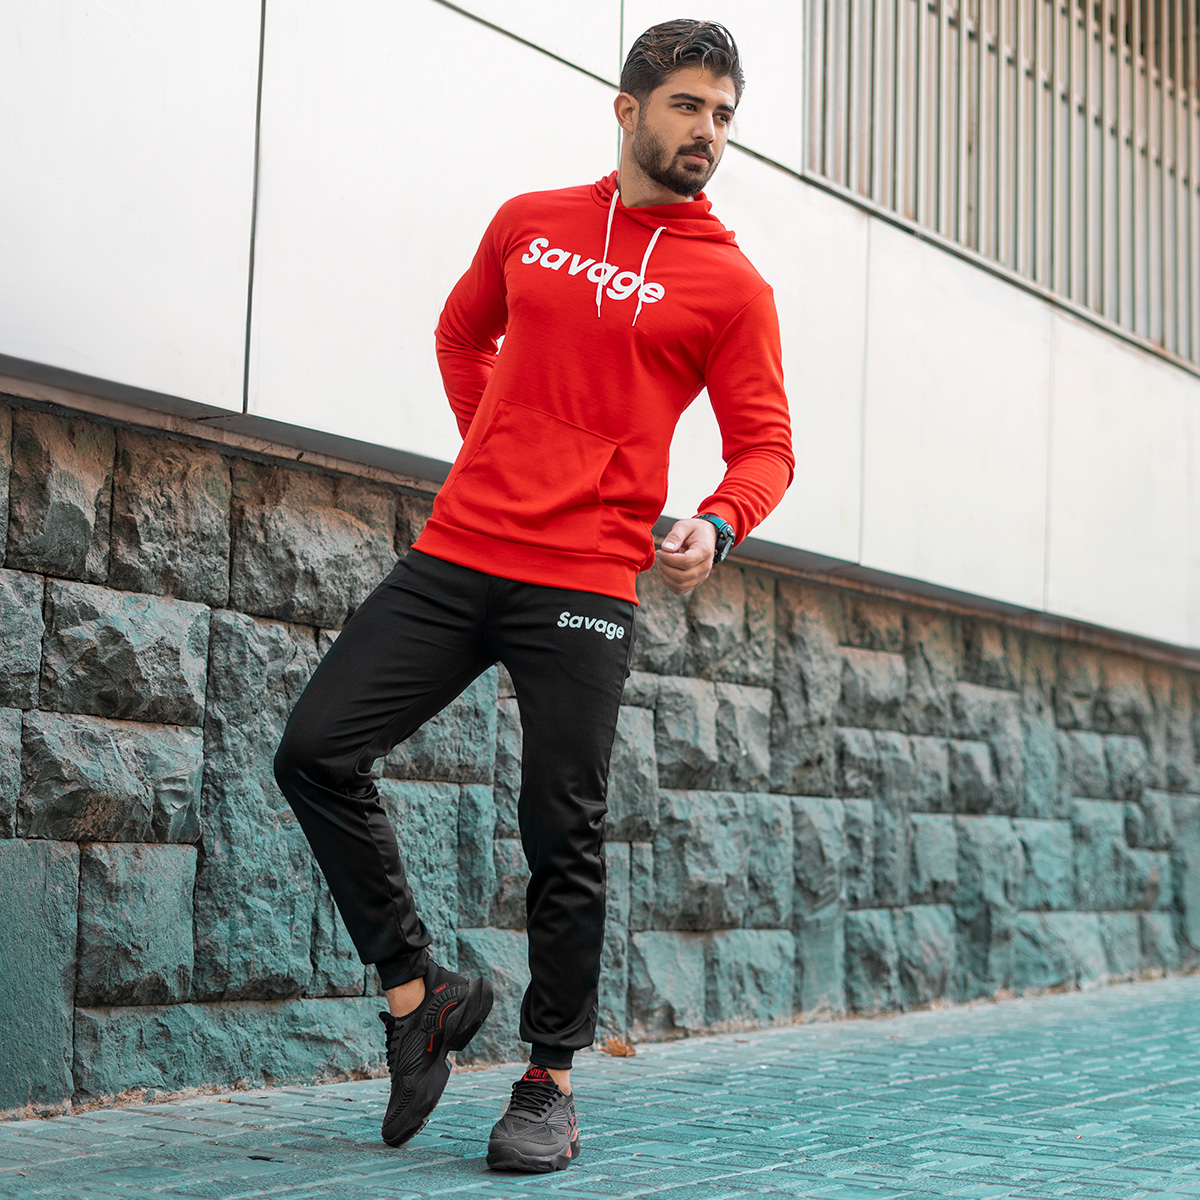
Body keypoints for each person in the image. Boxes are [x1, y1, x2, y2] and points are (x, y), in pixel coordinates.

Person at [273, 18, 793, 1174]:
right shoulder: (531, 222)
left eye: (723, 115)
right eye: (688, 106)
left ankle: (547, 1083)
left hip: (587, 578)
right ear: (628, 109)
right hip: (460, 550)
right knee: (313, 750)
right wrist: (496, 449)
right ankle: (418, 997)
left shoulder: (731, 286)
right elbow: (462, 334)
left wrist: (717, 522)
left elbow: (766, 444)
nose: (708, 132)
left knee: (563, 830)